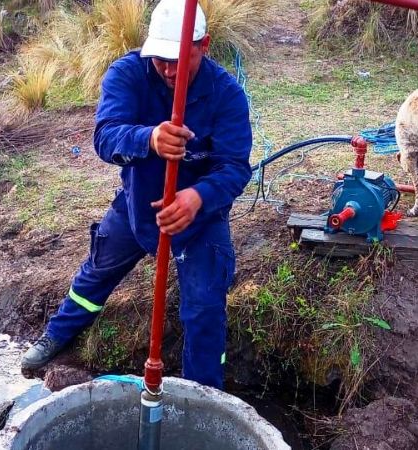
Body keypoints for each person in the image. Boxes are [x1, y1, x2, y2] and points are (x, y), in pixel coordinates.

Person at [20, 0, 252, 390]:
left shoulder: (226, 95)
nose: (169, 70)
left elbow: (234, 167)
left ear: (204, 45)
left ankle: (204, 394)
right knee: (97, 272)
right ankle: (56, 336)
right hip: (137, 204)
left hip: (199, 218)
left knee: (204, 308)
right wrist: (149, 138)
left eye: (179, 59)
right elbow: (105, 136)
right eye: (161, 59)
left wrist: (196, 198)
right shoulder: (127, 74)